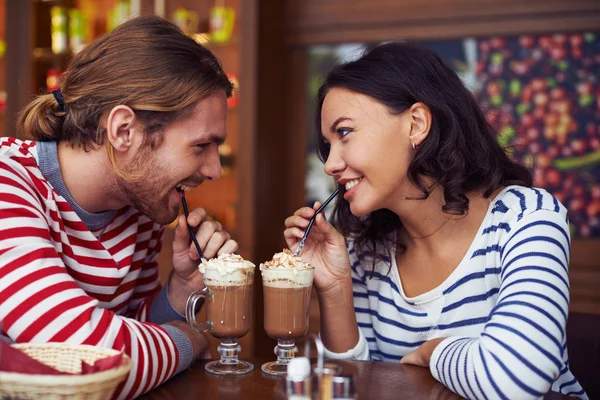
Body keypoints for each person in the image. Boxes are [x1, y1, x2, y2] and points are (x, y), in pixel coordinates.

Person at [284, 42, 587, 399]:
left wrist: (433, 352)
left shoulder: (528, 219)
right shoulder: (366, 250)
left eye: (345, 133)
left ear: (416, 124)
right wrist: (334, 289)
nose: (330, 164)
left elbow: (515, 379)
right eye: (328, 145)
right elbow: (353, 387)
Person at [0, 16, 236, 399]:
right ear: (124, 131)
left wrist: (181, 289)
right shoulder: (8, 185)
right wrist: (192, 340)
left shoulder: (138, 204)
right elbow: (85, 358)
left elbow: (124, 331)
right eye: (201, 146)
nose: (213, 171)